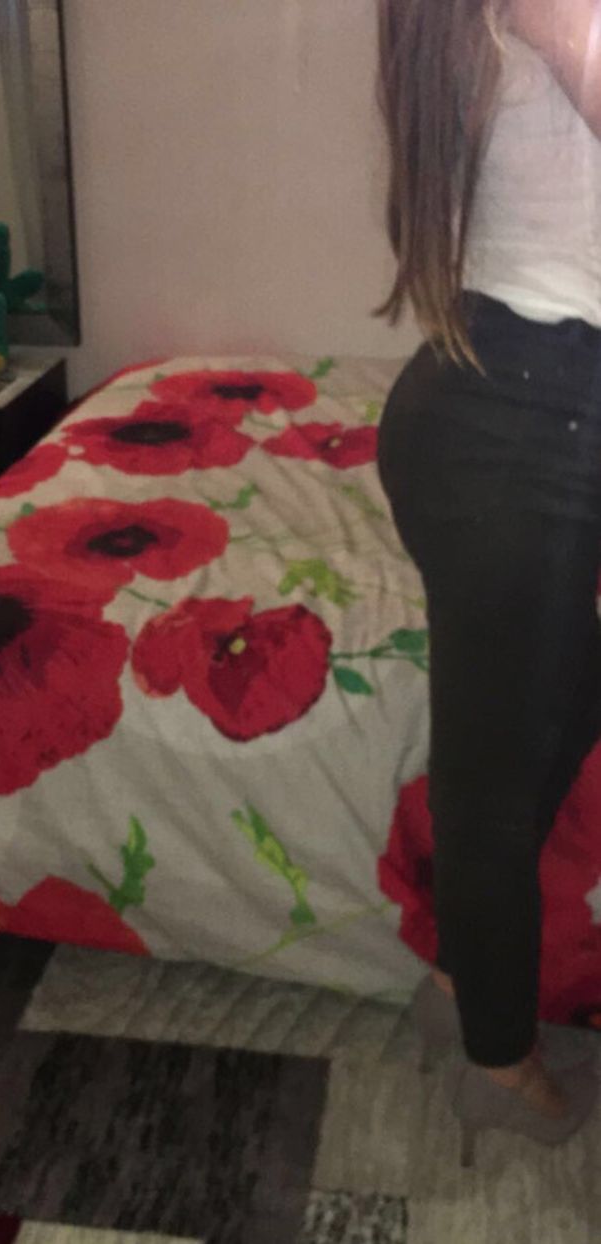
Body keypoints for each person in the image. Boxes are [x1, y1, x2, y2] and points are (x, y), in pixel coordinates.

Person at [375, 0, 601, 1166]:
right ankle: (499, 1068)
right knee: (492, 781)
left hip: (522, 412)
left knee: (554, 716)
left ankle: (463, 979)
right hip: (510, 430)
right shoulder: (539, 17)